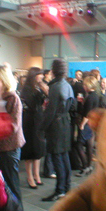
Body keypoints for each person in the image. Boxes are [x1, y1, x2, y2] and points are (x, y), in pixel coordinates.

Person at [0, 65, 25, 211]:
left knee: (12, 187)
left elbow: (13, 126)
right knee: (4, 187)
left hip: (9, 149)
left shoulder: (11, 98)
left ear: (4, 80)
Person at [40, 59, 74, 202]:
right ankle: (66, 187)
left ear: (53, 71)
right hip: (66, 123)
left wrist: (41, 128)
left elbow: (51, 111)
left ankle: (60, 190)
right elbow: (73, 106)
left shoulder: (55, 87)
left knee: (57, 157)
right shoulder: (66, 85)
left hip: (56, 125)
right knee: (64, 156)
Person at [20, 67, 48, 189]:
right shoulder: (27, 89)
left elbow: (46, 100)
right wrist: (41, 93)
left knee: (38, 149)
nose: (42, 77)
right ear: (34, 75)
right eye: (39, 74)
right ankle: (30, 177)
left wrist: (44, 91)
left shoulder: (38, 87)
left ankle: (37, 175)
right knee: (30, 150)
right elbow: (32, 104)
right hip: (30, 121)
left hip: (39, 119)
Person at [75, 76, 99, 177]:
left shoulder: (90, 97)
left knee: (79, 145)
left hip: (87, 123)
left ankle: (85, 166)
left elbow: (86, 114)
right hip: (92, 123)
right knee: (89, 145)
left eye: (85, 85)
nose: (83, 86)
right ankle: (89, 166)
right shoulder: (96, 96)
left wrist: (81, 124)